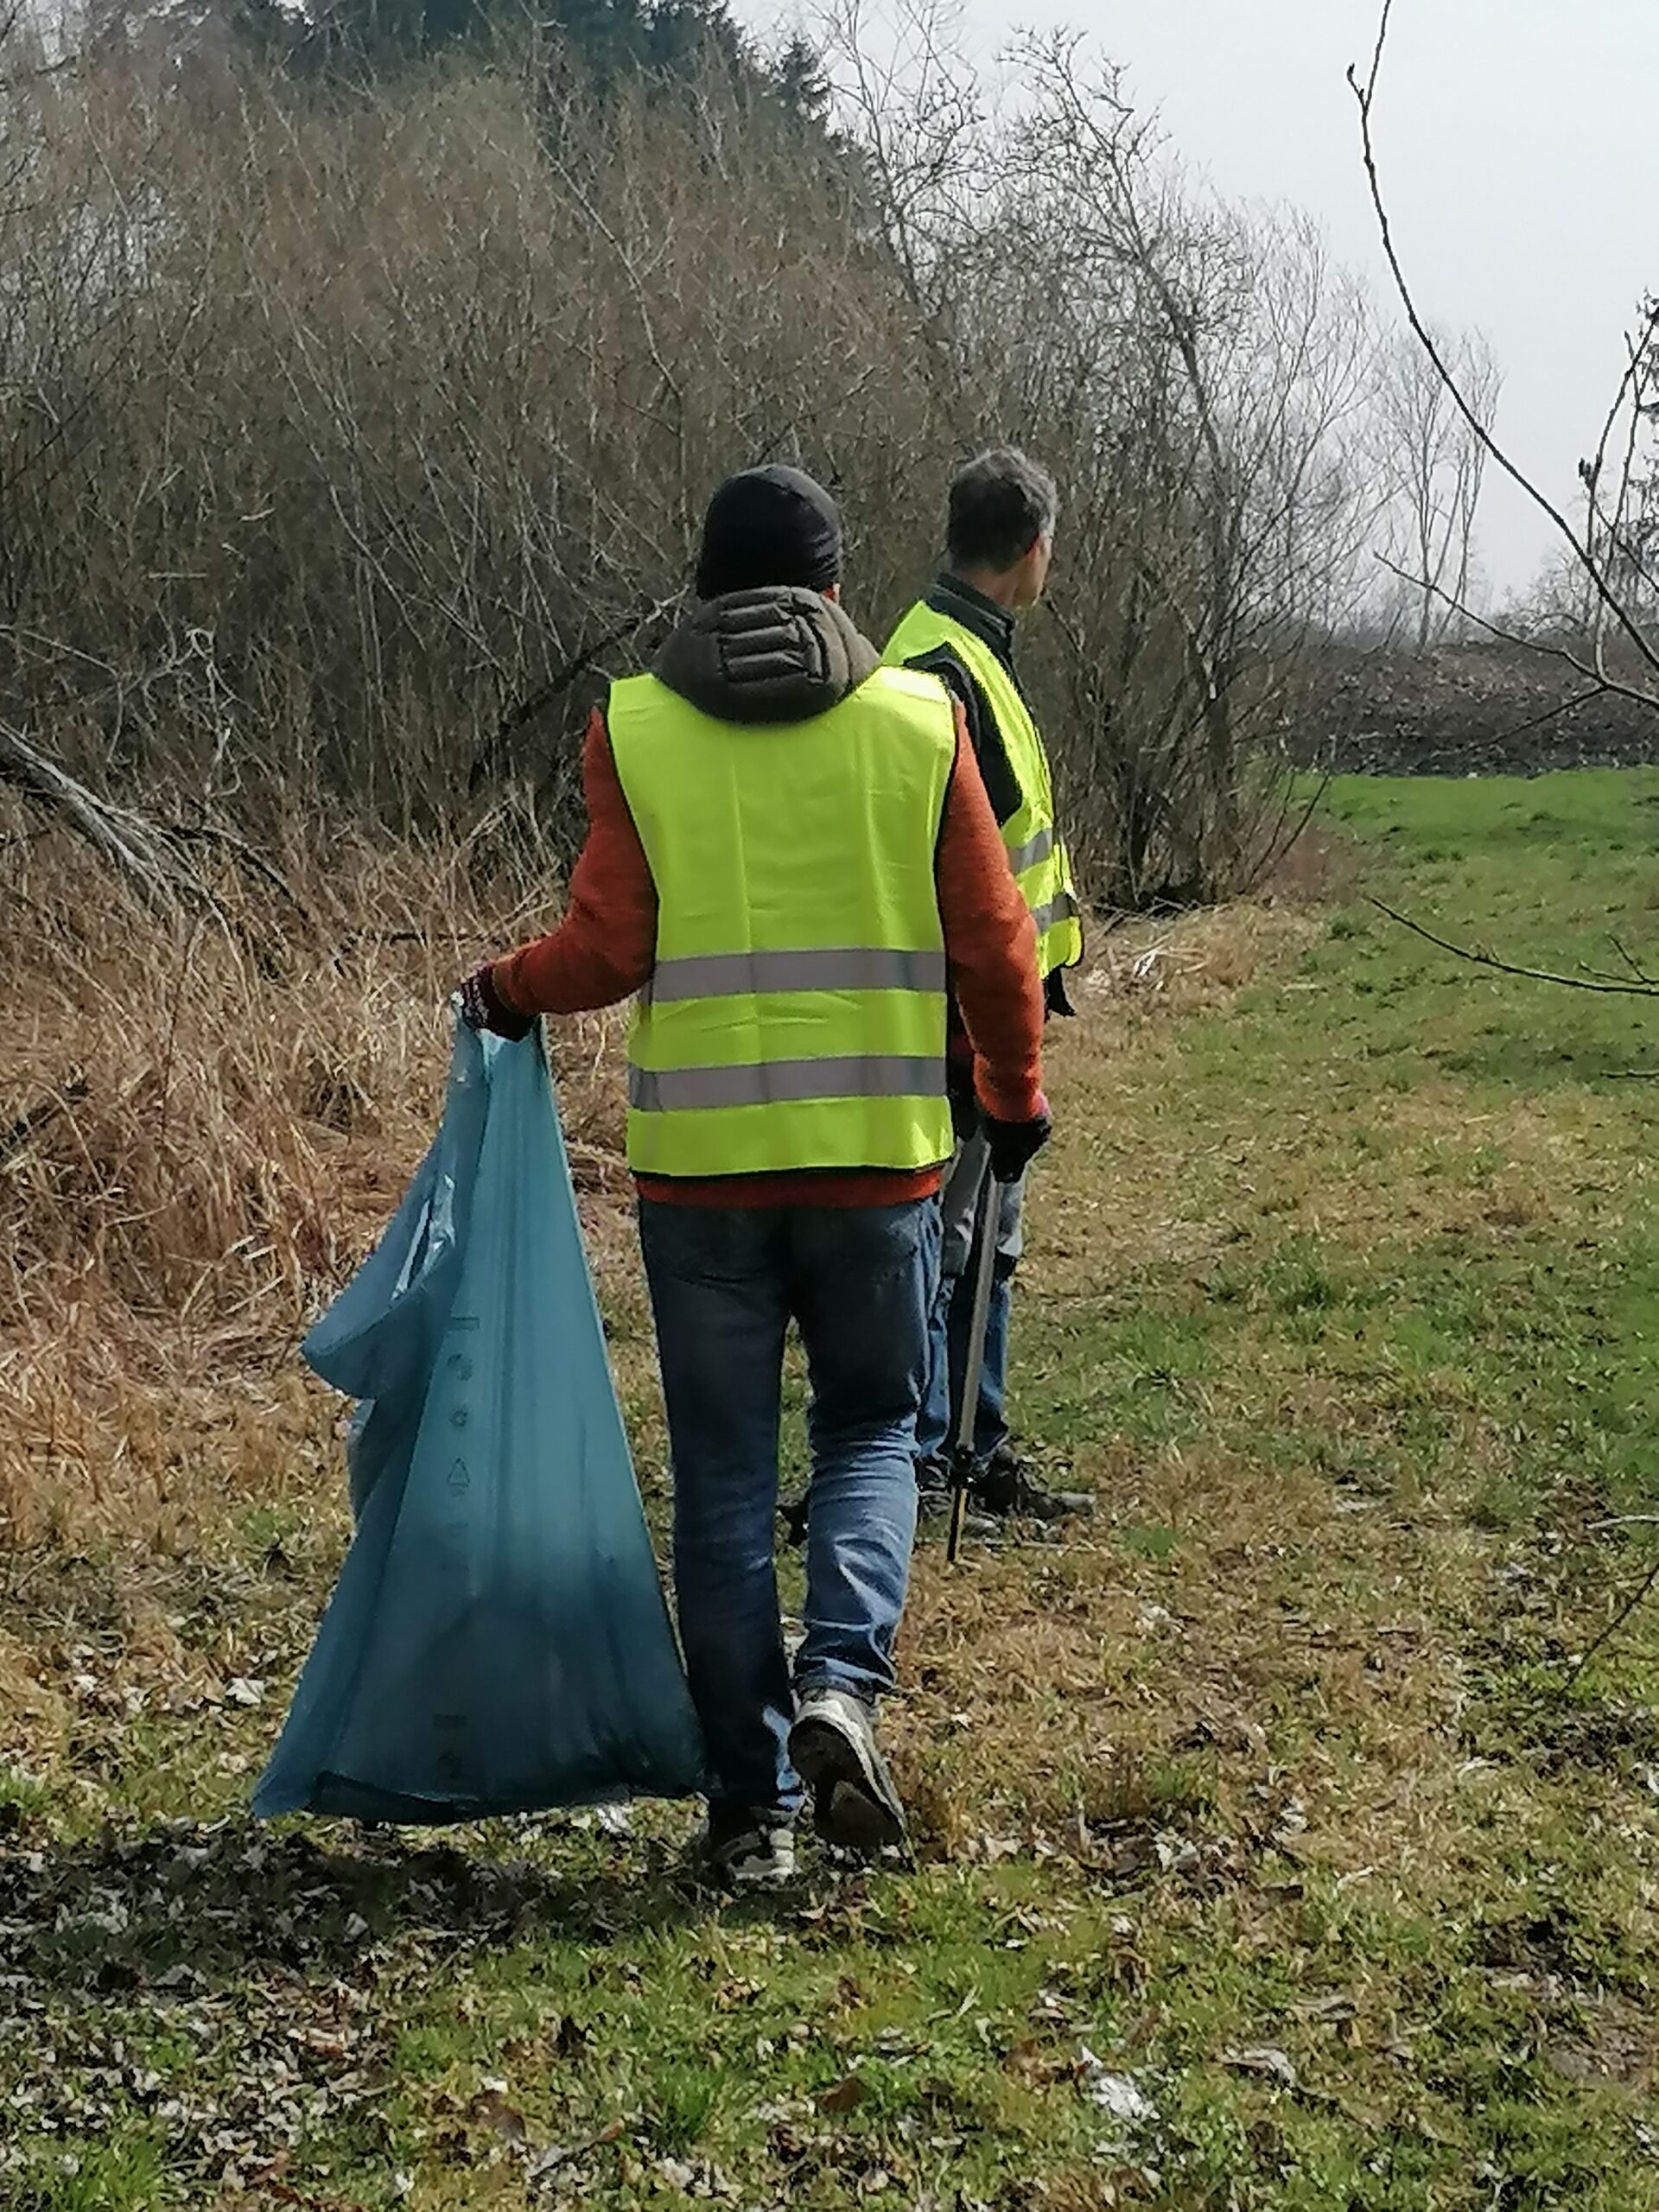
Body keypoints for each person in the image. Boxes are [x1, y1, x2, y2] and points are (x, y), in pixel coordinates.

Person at [461, 465, 1048, 1887]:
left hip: (703, 1185)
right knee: (866, 1431)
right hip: (878, 1174)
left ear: (705, 589)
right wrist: (1012, 1096)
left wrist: (506, 989)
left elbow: (607, 948)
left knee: (724, 1488)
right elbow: (995, 941)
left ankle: (748, 1821)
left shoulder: (637, 727)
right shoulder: (922, 720)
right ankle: (844, 1683)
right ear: (842, 590)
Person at [885, 448, 1090, 1528]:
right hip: (963, 1005)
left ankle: (968, 1445)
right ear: (1032, 549)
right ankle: (929, 1461)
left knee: (978, 1239)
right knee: (955, 1242)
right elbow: (965, 862)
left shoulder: (952, 645)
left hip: (985, 995)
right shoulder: (946, 665)